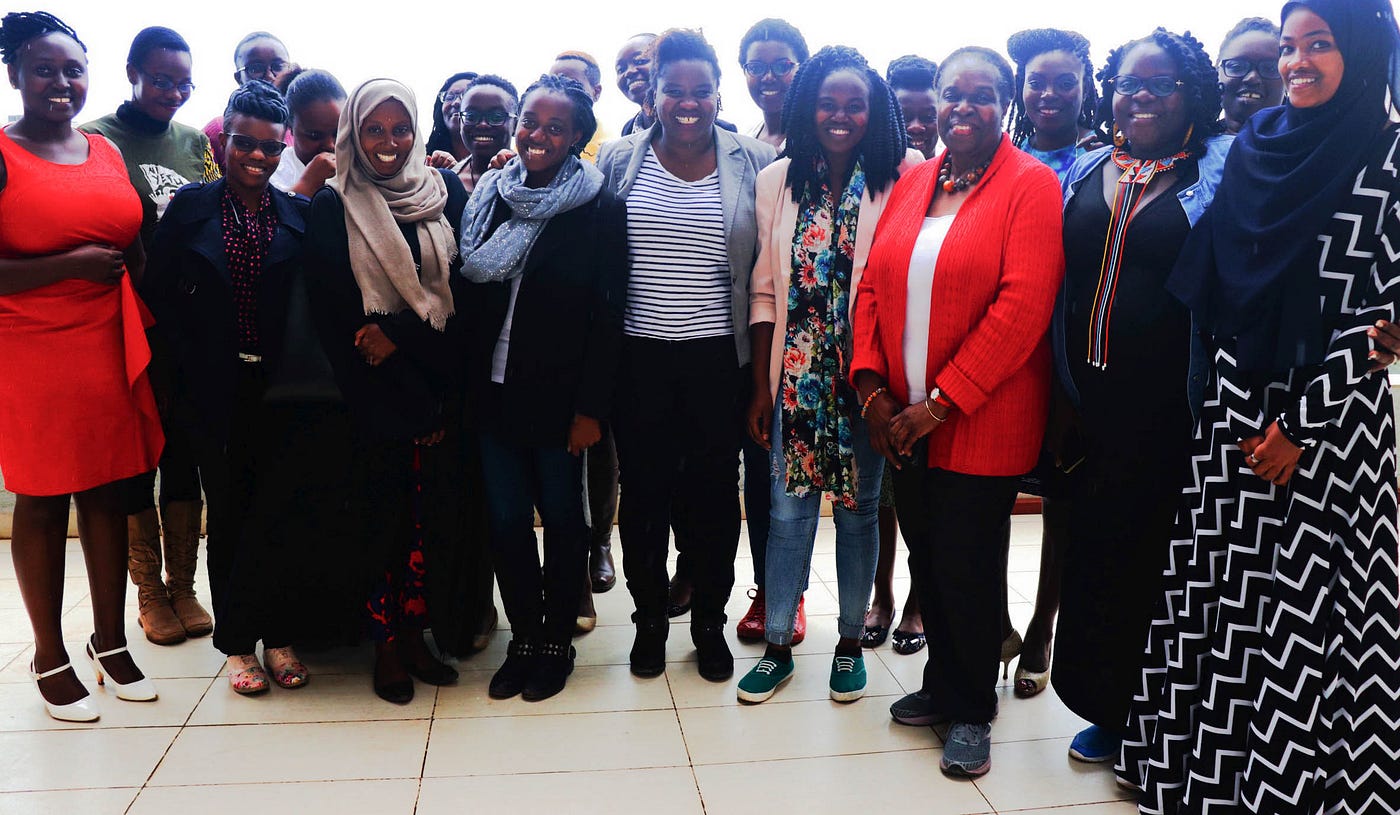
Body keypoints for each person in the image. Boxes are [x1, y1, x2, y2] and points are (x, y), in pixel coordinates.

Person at [1120, 3, 1400, 810]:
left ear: (1364, 51)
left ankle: (1301, 789)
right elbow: (1223, 291)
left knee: (1312, 617)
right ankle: (1196, 776)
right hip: (1236, 415)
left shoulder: (1387, 158)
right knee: (1221, 602)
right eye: (1288, 46)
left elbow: (1381, 318)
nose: (1296, 62)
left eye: (1320, 45)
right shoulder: (1257, 145)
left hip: (1331, 434)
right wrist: (1245, 415)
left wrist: (1299, 430)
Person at [851, 46, 1063, 778]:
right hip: (900, 419)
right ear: (935, 102)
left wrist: (939, 405)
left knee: (969, 564)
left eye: (981, 95)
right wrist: (874, 390)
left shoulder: (1030, 185)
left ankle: (973, 708)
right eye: (952, 94)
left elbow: (1023, 305)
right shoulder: (916, 179)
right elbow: (873, 287)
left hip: (978, 420)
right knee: (928, 556)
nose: (963, 107)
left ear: (1005, 103)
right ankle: (943, 683)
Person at [1048, 28, 1231, 764]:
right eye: (1128, 83)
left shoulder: (1216, 171)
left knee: (1156, 563)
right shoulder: (1090, 167)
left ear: (1193, 94)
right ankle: (1104, 708)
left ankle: (1157, 720)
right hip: (1088, 405)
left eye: (1161, 85)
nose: (1141, 96)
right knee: (1092, 556)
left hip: (1173, 408)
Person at [735, 46, 920, 704]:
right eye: (828, 104)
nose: (840, 116)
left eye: (855, 105)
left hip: (868, 384)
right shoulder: (777, 179)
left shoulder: (905, 176)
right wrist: (760, 385)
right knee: (786, 516)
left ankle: (849, 642)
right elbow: (763, 291)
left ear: (875, 113)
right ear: (809, 106)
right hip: (794, 377)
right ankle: (779, 642)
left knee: (859, 512)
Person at [596, 28, 776, 682]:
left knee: (711, 498)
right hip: (636, 359)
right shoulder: (617, 161)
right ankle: (648, 619)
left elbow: (768, 267)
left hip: (715, 361)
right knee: (642, 494)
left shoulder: (752, 160)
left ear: (718, 92)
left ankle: (707, 619)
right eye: (676, 90)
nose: (689, 102)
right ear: (653, 94)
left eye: (702, 90)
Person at [0, 10, 162, 721]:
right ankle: (47, 653)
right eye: (44, 68)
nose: (62, 82)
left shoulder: (105, 150)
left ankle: (110, 641)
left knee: (108, 490)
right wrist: (68, 263)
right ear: (13, 75)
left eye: (73, 68)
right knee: (42, 497)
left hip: (107, 336)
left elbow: (129, 233)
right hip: (30, 344)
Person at [143, 80, 316, 694]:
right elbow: (157, 296)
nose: (258, 157)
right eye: (245, 143)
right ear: (225, 141)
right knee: (234, 517)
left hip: (284, 392)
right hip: (212, 390)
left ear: (283, 146)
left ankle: (282, 637)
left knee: (282, 513)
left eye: (271, 147)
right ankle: (239, 644)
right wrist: (170, 384)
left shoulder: (299, 214)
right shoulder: (191, 207)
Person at [461, 74, 628, 702]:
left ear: (578, 139)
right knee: (505, 521)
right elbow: (469, 292)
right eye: (530, 121)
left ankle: (556, 640)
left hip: (560, 402)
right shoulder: (491, 197)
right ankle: (524, 636)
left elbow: (610, 317)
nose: (537, 135)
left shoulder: (600, 209)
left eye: (556, 128)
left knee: (562, 521)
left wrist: (591, 410)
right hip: (492, 393)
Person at [304, 78, 466, 704]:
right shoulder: (332, 203)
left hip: (431, 393)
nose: (389, 143)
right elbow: (341, 320)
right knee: (379, 525)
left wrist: (416, 368)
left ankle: (418, 635)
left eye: (401, 130)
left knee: (426, 526)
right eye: (375, 129)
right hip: (367, 400)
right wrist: (400, 372)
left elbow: (455, 305)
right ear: (354, 133)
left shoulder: (441, 194)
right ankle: (385, 647)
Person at [80, 25, 219, 648]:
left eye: (184, 82)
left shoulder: (194, 143)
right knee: (140, 454)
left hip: (193, 325)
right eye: (162, 80)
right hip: (129, 322)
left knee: (185, 449)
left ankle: (184, 584)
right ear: (132, 71)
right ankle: (150, 591)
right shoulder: (98, 140)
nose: (173, 92)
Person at [1001, 26, 1101, 700]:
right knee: (985, 497)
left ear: (1085, 88)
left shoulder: (1106, 160)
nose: (1049, 93)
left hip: (1071, 360)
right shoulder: (998, 156)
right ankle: (995, 623)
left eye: (1064, 81)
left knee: (1062, 500)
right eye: (1037, 80)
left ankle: (1042, 626)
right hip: (1006, 353)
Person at [863, 53, 941, 659]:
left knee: (925, 502)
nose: (916, 127)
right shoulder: (886, 174)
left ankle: (917, 601)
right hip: (884, 372)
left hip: (942, 379)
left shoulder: (945, 180)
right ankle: (882, 595)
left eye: (925, 114)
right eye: (904, 115)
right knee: (887, 498)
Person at [203, 32, 292, 167]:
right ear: (239, 77)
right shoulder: (217, 128)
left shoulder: (302, 131)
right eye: (256, 68)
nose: (269, 76)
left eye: (278, 66)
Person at [271, 68, 345, 197]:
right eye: (314, 136)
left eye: (338, 133)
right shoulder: (274, 171)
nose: (330, 145)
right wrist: (309, 183)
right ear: (290, 127)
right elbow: (274, 215)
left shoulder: (358, 166)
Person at [737, 18, 809, 151]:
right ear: (744, 71)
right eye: (756, 68)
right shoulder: (745, 140)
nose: (768, 77)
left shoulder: (816, 141)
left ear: (803, 68)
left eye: (782, 66)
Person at [450, 74, 517, 195]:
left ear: (515, 125)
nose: (482, 124)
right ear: (460, 122)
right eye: (471, 116)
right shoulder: (444, 183)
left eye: (496, 117)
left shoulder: (530, 180)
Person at [1217, 17, 1284, 134]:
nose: (1252, 78)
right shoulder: (1186, 147)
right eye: (1237, 67)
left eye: (1270, 68)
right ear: (1217, 73)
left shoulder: (1310, 147)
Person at [550, 52, 610, 163]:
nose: (559, 90)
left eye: (572, 84)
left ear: (596, 92)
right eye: (552, 83)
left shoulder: (611, 152)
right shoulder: (530, 142)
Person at [886, 56, 939, 161]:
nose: (916, 127)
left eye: (928, 117)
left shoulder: (964, 173)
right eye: (903, 118)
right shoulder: (863, 174)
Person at [425, 71, 478, 162]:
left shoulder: (502, 163)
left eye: (466, 96)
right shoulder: (422, 158)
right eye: (449, 97)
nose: (456, 102)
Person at [616, 33, 657, 136]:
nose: (628, 72)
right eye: (621, 69)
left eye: (640, 61)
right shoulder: (628, 130)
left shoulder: (691, 117)